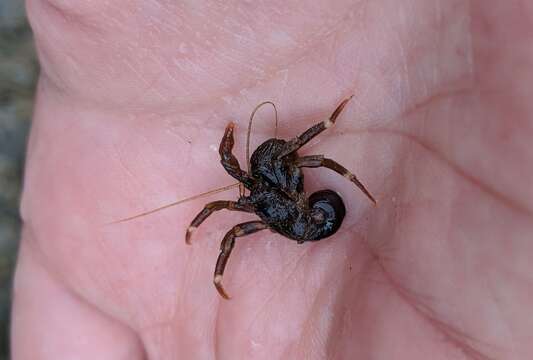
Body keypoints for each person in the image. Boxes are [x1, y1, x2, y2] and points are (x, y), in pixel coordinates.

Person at [12, 1, 533, 359]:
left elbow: (242, 199)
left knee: (267, 187)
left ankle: (326, 128)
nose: (241, 186)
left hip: (308, 215)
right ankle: (322, 134)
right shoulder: (266, 200)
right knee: (275, 179)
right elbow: (242, 196)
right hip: (307, 216)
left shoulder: (257, 205)